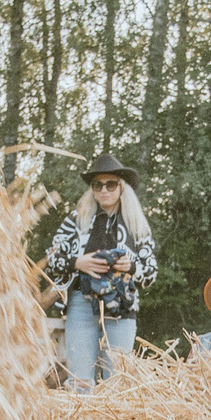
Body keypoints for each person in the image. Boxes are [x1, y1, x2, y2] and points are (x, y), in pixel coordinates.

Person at [43, 154, 157, 388]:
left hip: (121, 308)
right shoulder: (77, 219)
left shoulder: (136, 224)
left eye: (111, 184)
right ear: (92, 189)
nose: (104, 190)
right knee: (79, 380)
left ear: (121, 187)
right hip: (81, 304)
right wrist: (77, 262)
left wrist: (131, 267)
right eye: (98, 185)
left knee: (118, 382)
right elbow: (50, 258)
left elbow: (151, 273)